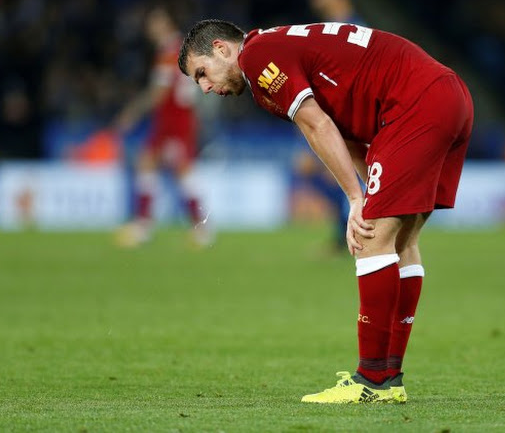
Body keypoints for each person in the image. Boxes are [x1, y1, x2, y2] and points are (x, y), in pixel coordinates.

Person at [178, 20, 473, 403]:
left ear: (221, 48)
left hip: (414, 103)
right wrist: (370, 190)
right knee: (402, 241)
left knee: (370, 239)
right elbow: (342, 129)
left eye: (201, 72)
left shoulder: (256, 58)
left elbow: (317, 124)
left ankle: (371, 380)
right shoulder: (275, 47)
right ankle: (388, 379)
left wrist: (355, 199)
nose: (204, 87)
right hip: (446, 96)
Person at [115, 6, 212, 248]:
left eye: (156, 22)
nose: (150, 28)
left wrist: (131, 114)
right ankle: (145, 225)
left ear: (167, 23)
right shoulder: (180, 47)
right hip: (177, 117)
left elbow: (160, 93)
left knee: (181, 170)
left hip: (175, 119)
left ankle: (199, 227)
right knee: (151, 163)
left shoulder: (170, 51)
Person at [291, 0, 367, 252]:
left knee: (349, 179)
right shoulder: (324, 30)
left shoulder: (357, 29)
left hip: (351, 120)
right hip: (327, 117)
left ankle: (356, 237)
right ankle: (346, 234)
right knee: (318, 173)